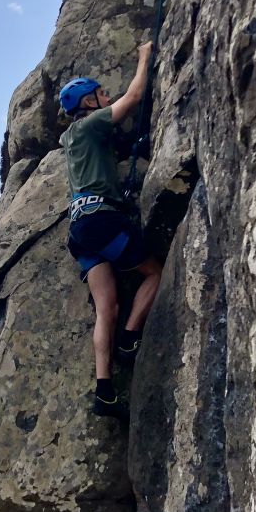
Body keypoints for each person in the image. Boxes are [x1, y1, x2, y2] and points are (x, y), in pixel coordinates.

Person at [59, 43, 162, 420]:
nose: (106, 97)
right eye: (100, 94)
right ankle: (131, 339)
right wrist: (144, 57)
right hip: (102, 219)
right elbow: (133, 97)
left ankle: (104, 391)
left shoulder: (74, 139)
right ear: (87, 103)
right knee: (154, 272)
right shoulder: (91, 124)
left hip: (80, 228)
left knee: (107, 308)